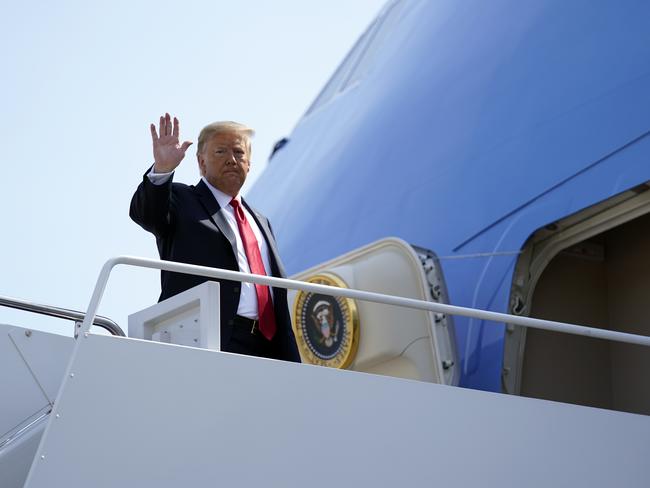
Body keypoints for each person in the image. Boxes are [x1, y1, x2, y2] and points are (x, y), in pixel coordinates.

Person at [130, 113, 301, 362]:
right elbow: (146, 213)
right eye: (220, 152)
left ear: (249, 163)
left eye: (239, 153)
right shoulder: (181, 200)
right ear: (201, 163)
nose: (232, 159)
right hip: (213, 340)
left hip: (269, 348)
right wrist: (162, 170)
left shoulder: (261, 221)